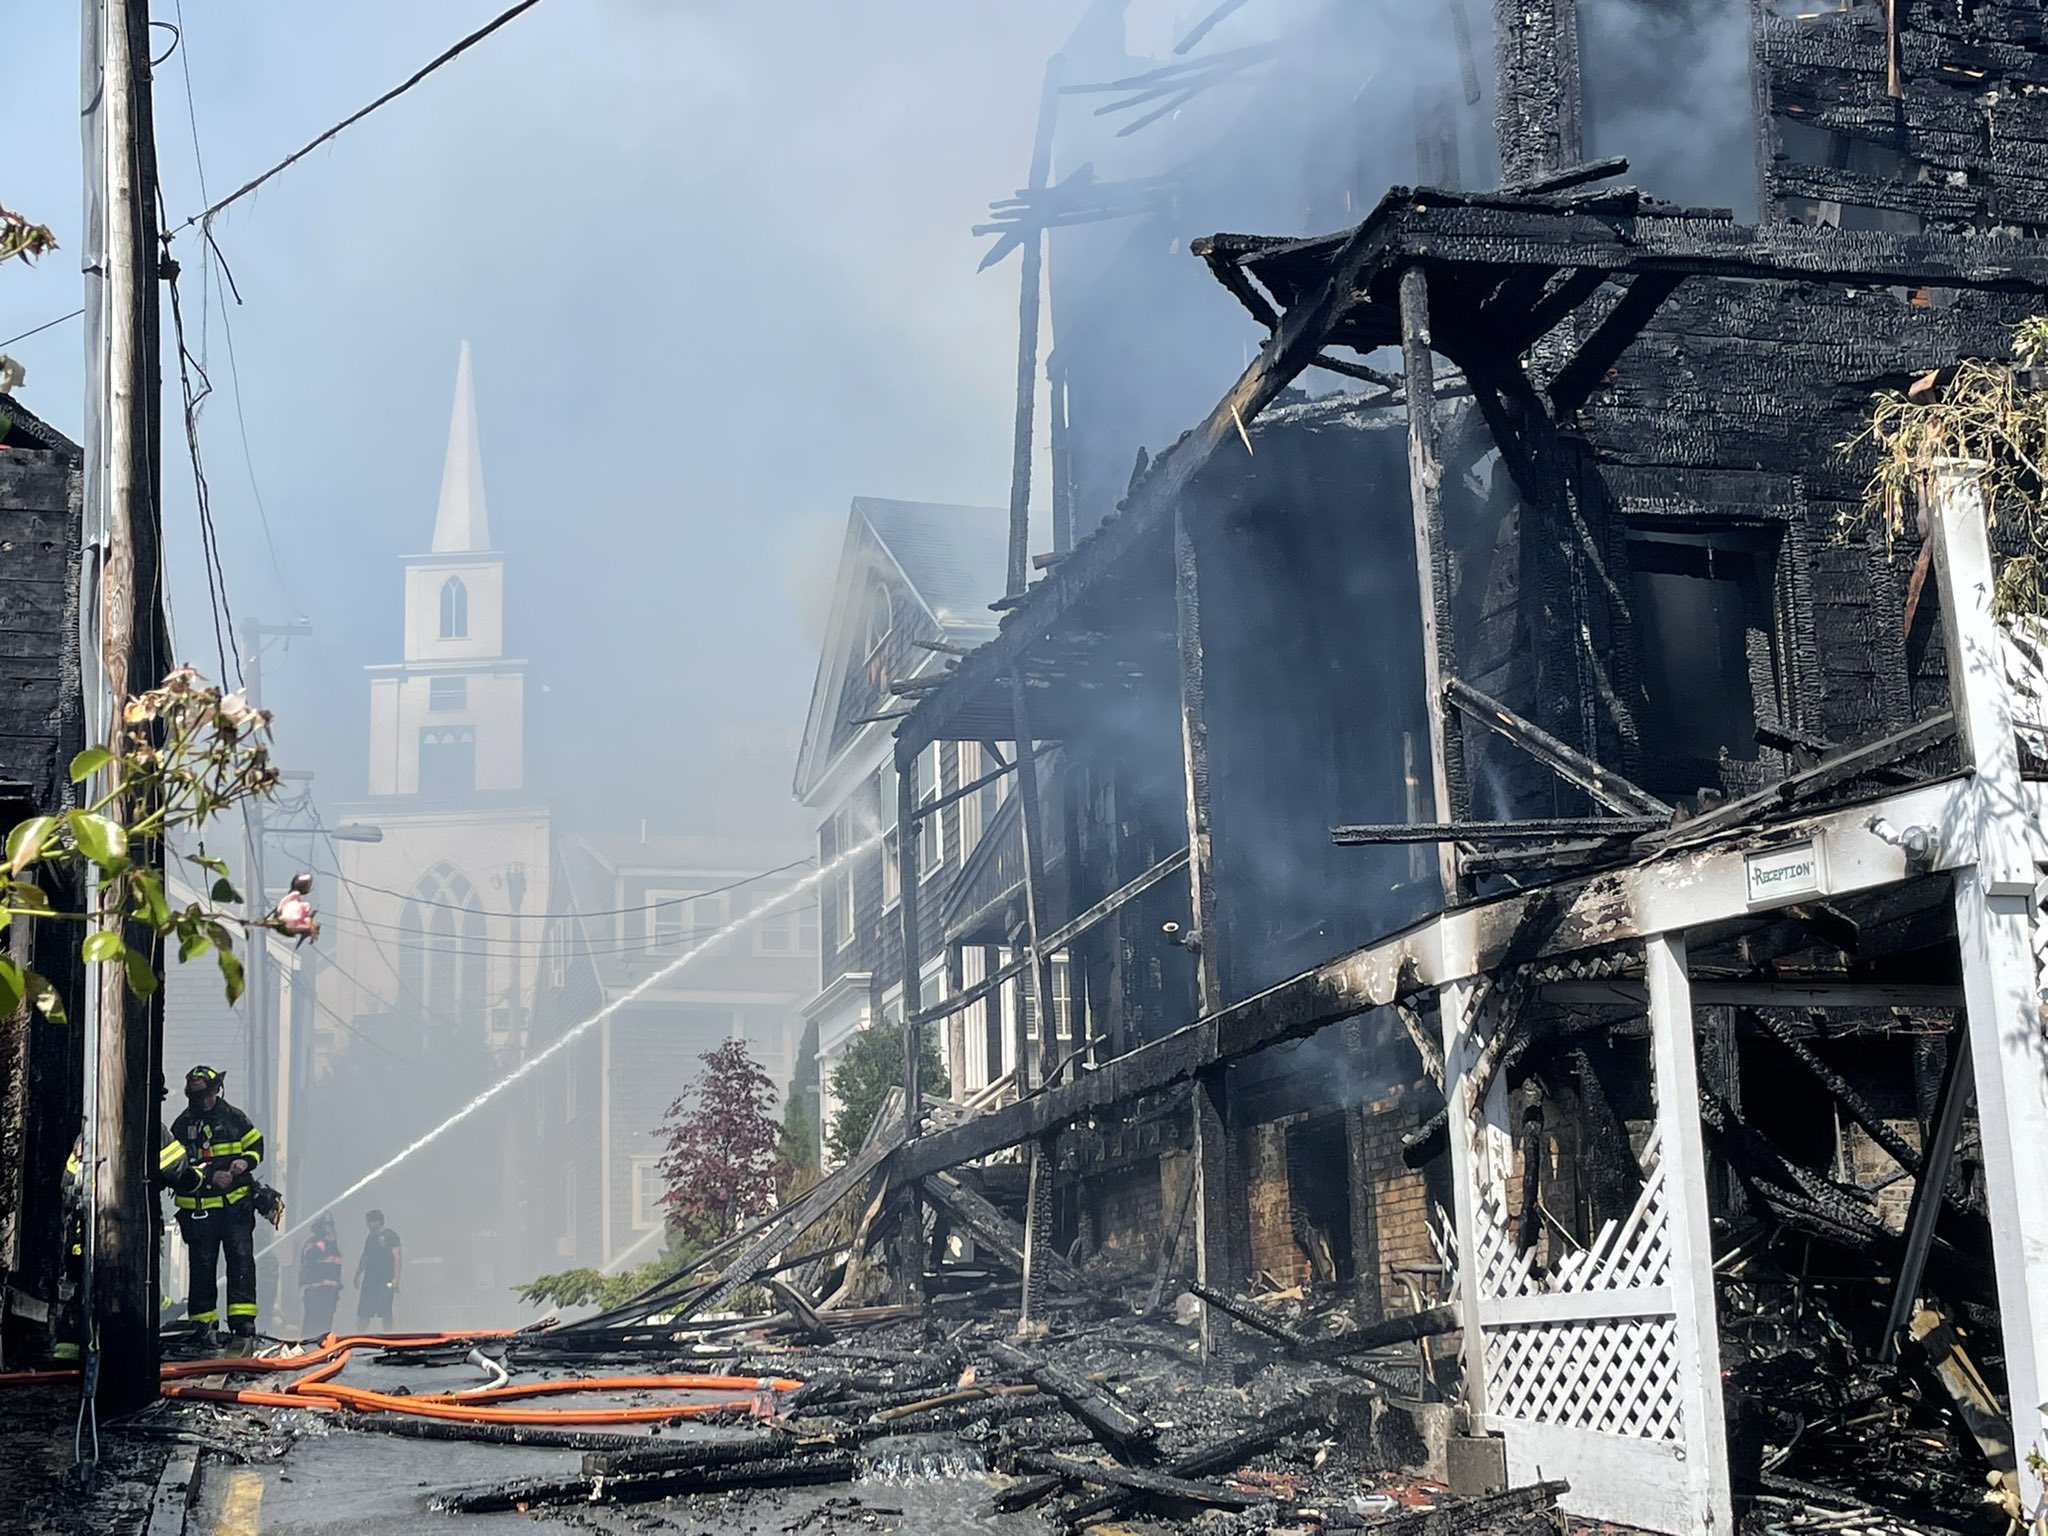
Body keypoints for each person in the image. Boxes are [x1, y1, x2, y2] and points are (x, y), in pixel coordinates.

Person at [54, 1124, 202, 1362]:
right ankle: (125, 1353)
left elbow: (67, 1183)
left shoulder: (89, 1131)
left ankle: (69, 1352)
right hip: (132, 1231)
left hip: (85, 1231)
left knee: (85, 1288)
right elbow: (178, 1171)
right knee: (133, 1287)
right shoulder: (148, 1126)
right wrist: (199, 1179)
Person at [169, 1065, 266, 1348]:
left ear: (215, 1091)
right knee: (201, 1266)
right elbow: (176, 1168)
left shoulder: (234, 1118)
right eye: (197, 1096)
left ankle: (242, 1323)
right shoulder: (181, 1126)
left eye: (207, 1095)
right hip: (200, 1210)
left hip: (235, 1207)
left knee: (241, 1260)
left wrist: (244, 1162)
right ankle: (203, 1323)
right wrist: (212, 1176)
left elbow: (256, 1146)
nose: (203, 1101)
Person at [297, 1214, 344, 1339]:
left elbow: (336, 1267)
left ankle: (323, 1346)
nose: (329, 1229)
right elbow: (310, 1259)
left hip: (330, 1293)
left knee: (325, 1324)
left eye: (330, 1226)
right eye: (326, 1226)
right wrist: (321, 1244)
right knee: (312, 1323)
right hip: (315, 1291)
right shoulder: (312, 1244)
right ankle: (307, 1347)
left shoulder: (333, 1246)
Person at [355, 1209, 401, 1330]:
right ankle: (359, 1336)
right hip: (370, 1279)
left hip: (385, 1279)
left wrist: (396, 1278)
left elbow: (397, 1257)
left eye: (369, 1221)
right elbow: (365, 1256)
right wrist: (357, 1274)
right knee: (364, 1312)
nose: (367, 1225)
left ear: (377, 1221)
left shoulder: (391, 1236)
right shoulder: (370, 1237)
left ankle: (388, 1337)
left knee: (386, 1311)